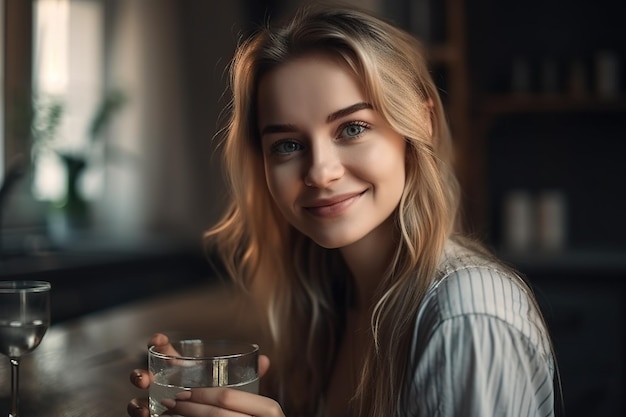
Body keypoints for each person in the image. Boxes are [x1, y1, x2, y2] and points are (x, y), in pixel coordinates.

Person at [127, 3, 557, 417]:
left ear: (420, 123)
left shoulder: (467, 316)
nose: (320, 172)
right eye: (288, 145)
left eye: (352, 128)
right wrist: (206, 399)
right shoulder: (326, 302)